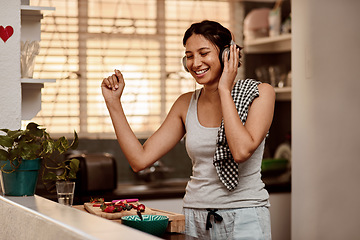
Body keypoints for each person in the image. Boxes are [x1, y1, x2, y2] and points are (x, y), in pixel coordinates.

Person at [101, 20, 275, 239]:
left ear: (226, 55)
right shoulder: (185, 104)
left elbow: (241, 151)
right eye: (189, 56)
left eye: (203, 53)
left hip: (244, 216)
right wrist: (113, 103)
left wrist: (224, 89)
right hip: (195, 218)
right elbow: (139, 160)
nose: (195, 63)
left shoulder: (260, 93)